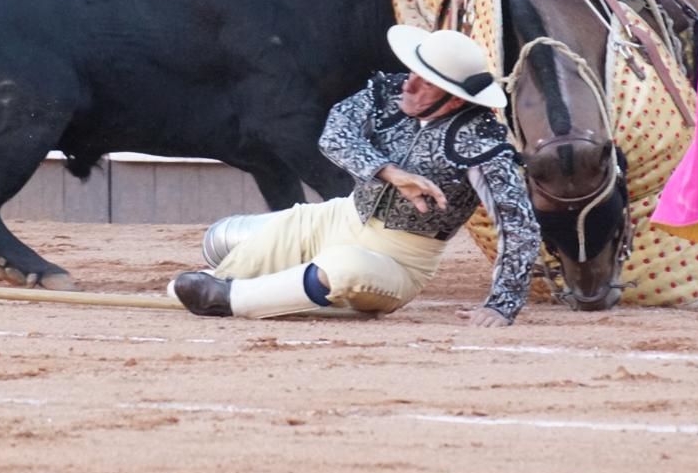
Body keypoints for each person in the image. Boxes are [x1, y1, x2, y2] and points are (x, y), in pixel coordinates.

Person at [169, 25, 538, 324]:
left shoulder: (483, 143)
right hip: (337, 217)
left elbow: (519, 224)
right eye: (415, 71)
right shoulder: (388, 91)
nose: (409, 84)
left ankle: (231, 299)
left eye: (426, 82)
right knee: (260, 243)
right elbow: (334, 134)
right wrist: (390, 172)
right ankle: (226, 285)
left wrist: (501, 306)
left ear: (455, 99)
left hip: (400, 259)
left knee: (345, 268)